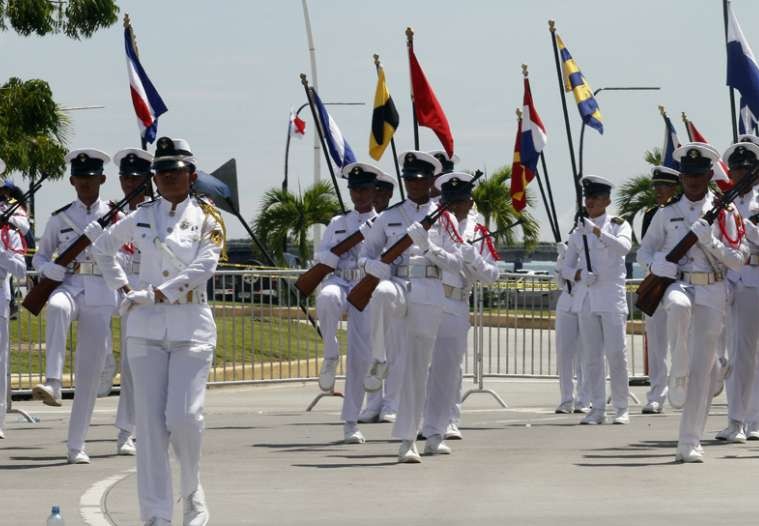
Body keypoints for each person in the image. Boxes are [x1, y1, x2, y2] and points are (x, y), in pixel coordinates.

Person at [91, 137, 222, 525]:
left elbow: (205, 265)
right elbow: (103, 248)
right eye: (161, 172)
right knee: (148, 429)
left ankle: (193, 492)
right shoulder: (141, 215)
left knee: (184, 417)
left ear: (191, 176)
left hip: (191, 325)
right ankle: (156, 515)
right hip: (144, 329)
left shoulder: (209, 218)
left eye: (175, 171)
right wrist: (123, 288)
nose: (167, 178)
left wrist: (160, 293)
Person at [637, 142, 747, 463]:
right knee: (679, 308)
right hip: (678, 286)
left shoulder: (726, 213)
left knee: (702, 373)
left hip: (712, 291)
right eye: (688, 176)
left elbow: (739, 260)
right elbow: (644, 251)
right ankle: (677, 363)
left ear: (709, 175)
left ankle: (689, 441)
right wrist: (657, 264)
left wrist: (710, 241)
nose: (693, 182)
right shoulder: (666, 213)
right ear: (682, 177)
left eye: (699, 175)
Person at [359, 150, 461, 463]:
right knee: (380, 294)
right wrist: (371, 267)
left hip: (429, 291)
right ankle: (380, 356)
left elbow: (458, 262)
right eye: (408, 180)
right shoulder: (389, 216)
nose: (413, 185)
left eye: (419, 180)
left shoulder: (445, 218)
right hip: (397, 283)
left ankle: (411, 439)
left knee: (417, 370)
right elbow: (367, 253)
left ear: (431, 181)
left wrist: (430, 248)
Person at [31, 149, 119, 464]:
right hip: (69, 285)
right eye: (80, 178)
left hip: (100, 291)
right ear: (72, 181)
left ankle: (76, 445)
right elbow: (40, 256)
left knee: (87, 372)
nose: (85, 183)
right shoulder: (60, 217)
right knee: (55, 306)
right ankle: (52, 382)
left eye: (91, 177)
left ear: (102, 179)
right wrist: (47, 270)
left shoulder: (117, 215)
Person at [420, 172, 499, 454]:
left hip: (455, 302)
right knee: (422, 366)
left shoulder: (478, 234)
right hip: (428, 298)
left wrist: (473, 258)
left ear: (469, 201)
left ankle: (443, 424)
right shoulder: (433, 226)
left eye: (460, 201)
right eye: (449, 201)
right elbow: (428, 255)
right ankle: (425, 423)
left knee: (449, 368)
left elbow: (492, 275)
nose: (455, 207)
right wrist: (454, 260)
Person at [314, 162, 380, 443]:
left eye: (364, 189)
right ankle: (330, 352)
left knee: (360, 359)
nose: (359, 195)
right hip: (340, 282)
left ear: (374, 191)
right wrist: (332, 256)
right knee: (327, 297)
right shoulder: (337, 224)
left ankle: (350, 421)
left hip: (365, 287)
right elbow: (321, 257)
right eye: (354, 190)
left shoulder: (383, 223)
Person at [561, 175, 632, 425]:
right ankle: (597, 407)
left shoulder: (618, 224)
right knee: (591, 357)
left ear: (606, 200)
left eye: (595, 198)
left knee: (616, 354)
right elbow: (565, 268)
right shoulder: (577, 232)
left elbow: (624, 248)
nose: (589, 202)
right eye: (587, 197)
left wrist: (596, 231)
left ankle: (621, 407)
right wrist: (579, 274)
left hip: (611, 298)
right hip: (587, 298)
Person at [109, 148, 154, 457]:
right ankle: (125, 431)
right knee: (130, 364)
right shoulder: (113, 215)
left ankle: (154, 427)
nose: (129, 184)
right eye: (125, 178)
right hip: (126, 291)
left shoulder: (157, 212)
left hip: (157, 290)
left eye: (135, 178)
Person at [715, 142, 759, 443]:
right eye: (738, 169)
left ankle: (754, 419)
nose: (742, 173)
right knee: (735, 355)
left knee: (753, 355)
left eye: (747, 169)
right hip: (734, 281)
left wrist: (744, 226)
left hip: (756, 276)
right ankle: (736, 420)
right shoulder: (725, 202)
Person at [359, 172, 402, 423]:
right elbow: (363, 257)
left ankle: (391, 404)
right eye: (372, 192)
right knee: (373, 350)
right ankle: (372, 404)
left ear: (388, 195)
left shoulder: (399, 217)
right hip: (373, 291)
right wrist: (370, 266)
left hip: (397, 291)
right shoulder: (380, 221)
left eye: (380, 193)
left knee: (395, 349)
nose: (374, 197)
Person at [640, 165, 681, 415]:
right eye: (656, 186)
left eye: (663, 186)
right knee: (656, 342)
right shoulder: (652, 214)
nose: (658, 191)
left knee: (683, 342)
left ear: (675, 187)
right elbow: (646, 249)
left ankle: (681, 389)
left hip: (682, 281)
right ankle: (656, 394)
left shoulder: (684, 212)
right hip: (657, 282)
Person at [0, 158, 27, 440]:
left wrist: (1, 251)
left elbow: (20, 268)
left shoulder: (9, 231)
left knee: (0, 360)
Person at [554, 240, 590, 415]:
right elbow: (559, 281)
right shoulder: (567, 249)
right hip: (566, 300)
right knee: (564, 354)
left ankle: (583, 399)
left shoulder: (591, 249)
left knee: (585, 354)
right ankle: (566, 399)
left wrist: (572, 266)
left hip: (585, 300)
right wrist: (562, 258)